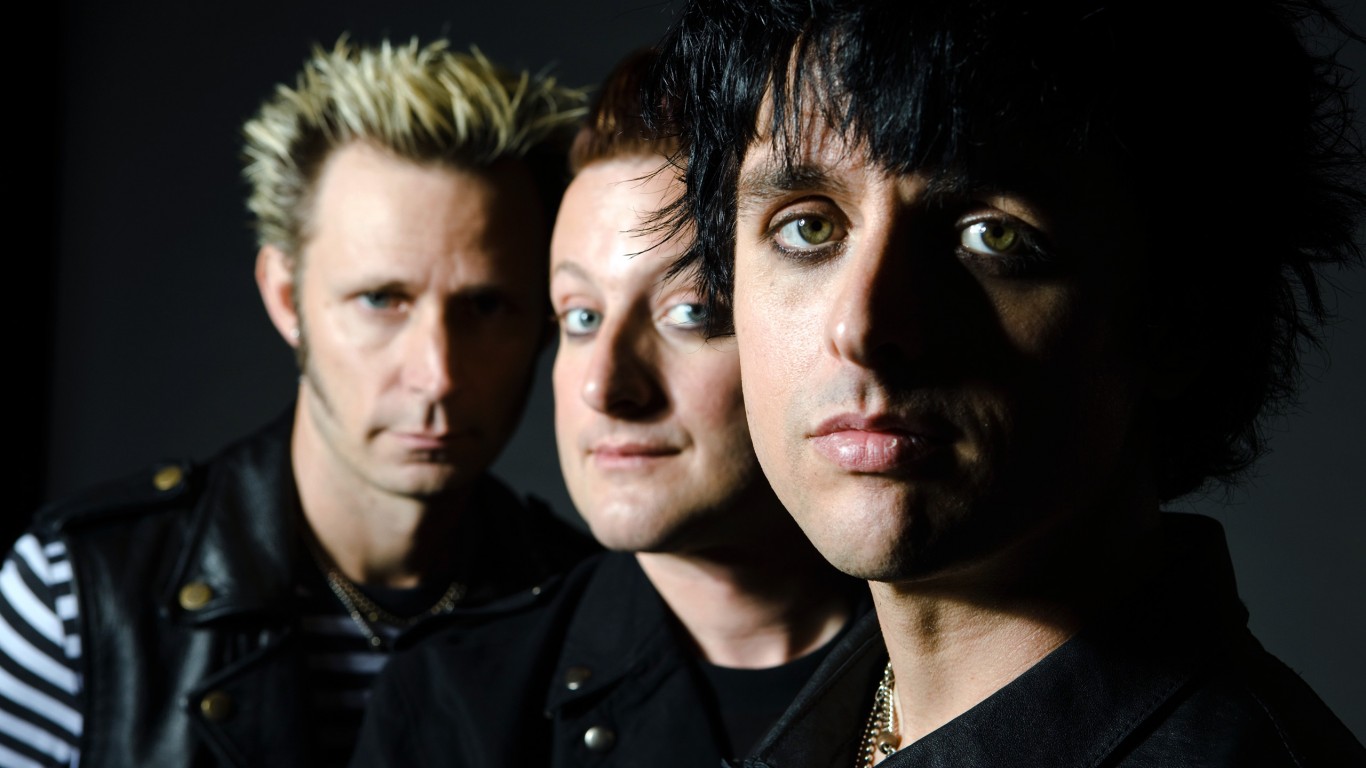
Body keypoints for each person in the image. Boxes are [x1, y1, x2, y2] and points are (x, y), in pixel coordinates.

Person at [641, 0, 1366, 765]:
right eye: (808, 227)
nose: (861, 326)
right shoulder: (841, 723)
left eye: (994, 234)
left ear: (1178, 317)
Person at [0, 36, 596, 768]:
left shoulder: (600, 615)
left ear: (546, 317)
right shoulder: (75, 596)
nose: (437, 375)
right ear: (287, 298)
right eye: (382, 300)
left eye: (486, 306)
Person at [349, 49, 867, 768]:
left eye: (691, 312)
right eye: (582, 316)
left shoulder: (975, 672)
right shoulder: (449, 701)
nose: (605, 385)